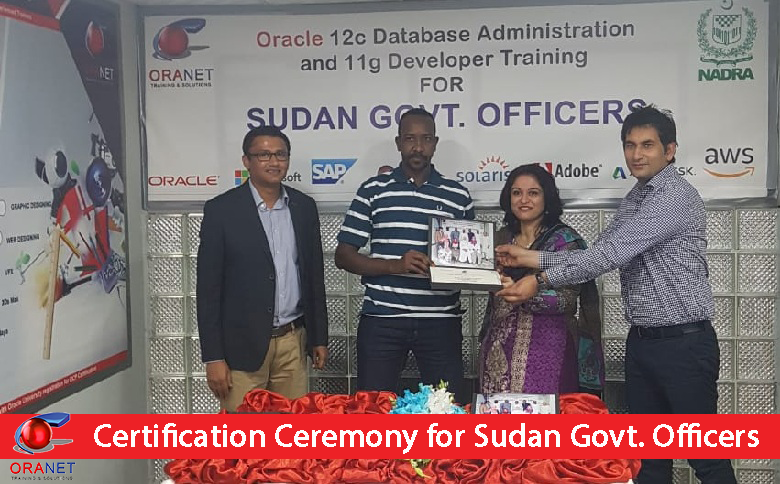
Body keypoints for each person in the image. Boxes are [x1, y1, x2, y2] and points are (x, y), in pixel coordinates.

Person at [494, 105, 735, 484]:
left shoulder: (674, 196)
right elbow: (600, 250)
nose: (636, 154)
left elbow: (609, 256)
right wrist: (529, 256)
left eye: (647, 145)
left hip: (684, 346)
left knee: (706, 459)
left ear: (670, 150)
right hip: (643, 344)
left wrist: (538, 278)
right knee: (647, 462)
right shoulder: (637, 197)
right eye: (630, 145)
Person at [334, 108, 474, 398]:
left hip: (441, 321)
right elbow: (343, 255)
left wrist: (461, 268)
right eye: (410, 138)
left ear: (435, 143)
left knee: (446, 407)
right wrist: (395, 266)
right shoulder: (373, 190)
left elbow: (470, 261)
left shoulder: (458, 195)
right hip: (383, 319)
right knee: (374, 407)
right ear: (398, 142)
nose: (418, 147)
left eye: (426, 139)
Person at [197, 126, 329, 411]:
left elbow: (314, 277)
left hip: (292, 342)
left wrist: (319, 338)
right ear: (246, 161)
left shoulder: (304, 207)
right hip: (241, 348)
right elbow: (208, 291)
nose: (274, 162)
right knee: (243, 435)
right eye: (264, 155)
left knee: (290, 432)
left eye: (281, 154)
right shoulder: (221, 211)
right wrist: (213, 357)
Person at [478, 164, 602, 395]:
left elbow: (567, 300)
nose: (524, 200)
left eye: (533, 193)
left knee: (543, 417)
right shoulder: (499, 239)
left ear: (547, 198)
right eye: (517, 193)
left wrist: (525, 295)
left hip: (548, 350)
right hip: (498, 351)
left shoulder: (565, 241)